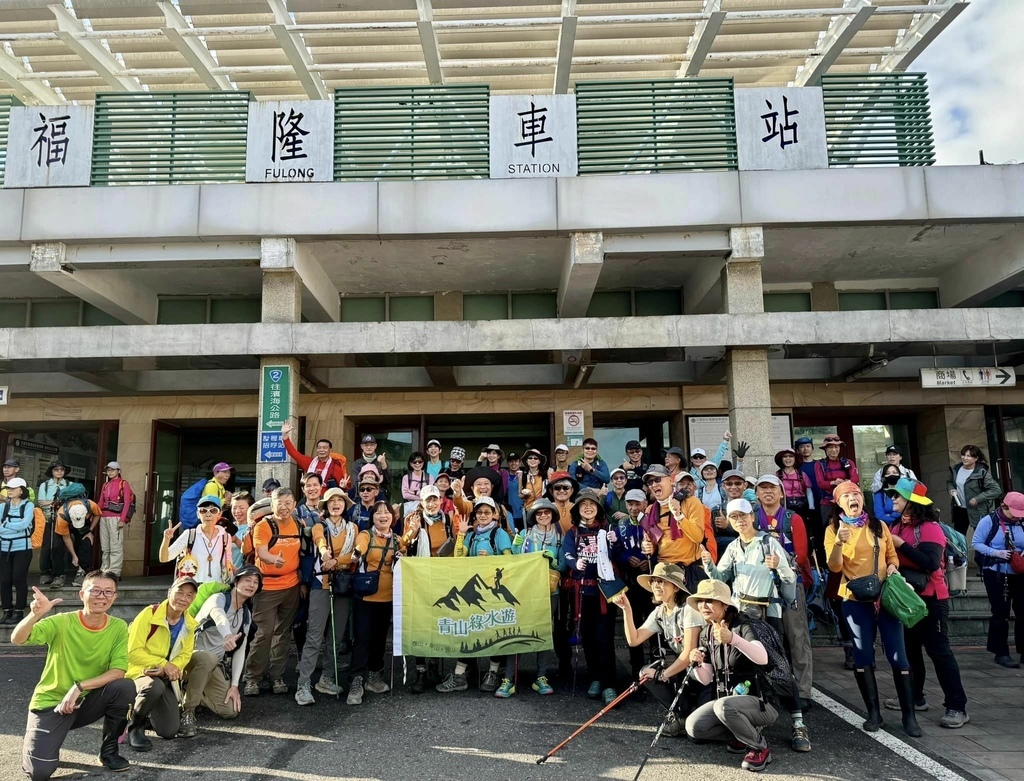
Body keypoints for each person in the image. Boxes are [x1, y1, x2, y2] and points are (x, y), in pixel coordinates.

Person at [14, 571, 134, 779]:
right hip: (51, 703)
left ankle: (108, 752)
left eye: (108, 592)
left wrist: (79, 687)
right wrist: (35, 615)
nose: (101, 596)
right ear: (81, 594)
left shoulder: (118, 627)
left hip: (85, 701)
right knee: (39, 772)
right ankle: (45, 744)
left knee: (124, 687)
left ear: (114, 597)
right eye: (95, 590)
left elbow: (118, 671)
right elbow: (18, 639)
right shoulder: (62, 622)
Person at [825, 481, 920, 737]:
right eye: (847, 495)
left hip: (885, 598)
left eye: (856, 493)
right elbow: (834, 568)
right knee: (863, 656)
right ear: (838, 502)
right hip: (855, 601)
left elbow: (892, 555)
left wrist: (892, 567)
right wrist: (838, 544)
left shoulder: (879, 526)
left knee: (898, 656)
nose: (853, 498)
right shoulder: (834, 529)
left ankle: (909, 716)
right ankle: (873, 713)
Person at [885, 479, 969, 728]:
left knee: (939, 652)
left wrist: (902, 545)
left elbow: (931, 563)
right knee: (911, 651)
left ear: (911, 502)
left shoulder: (930, 528)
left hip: (932, 600)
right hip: (908, 600)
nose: (893, 500)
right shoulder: (897, 524)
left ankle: (957, 707)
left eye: (897, 496)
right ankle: (915, 697)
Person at [684, 578, 778, 773]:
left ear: (724, 604)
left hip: (762, 702)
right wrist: (696, 664)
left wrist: (733, 639)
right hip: (728, 703)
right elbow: (707, 678)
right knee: (694, 727)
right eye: (700, 601)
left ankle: (759, 747)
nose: (703, 605)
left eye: (710, 600)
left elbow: (762, 657)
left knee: (723, 705)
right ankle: (741, 735)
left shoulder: (743, 625)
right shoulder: (707, 632)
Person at [611, 562, 702, 735]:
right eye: (654, 581)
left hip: (701, 667)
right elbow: (634, 640)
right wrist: (627, 609)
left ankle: (688, 714)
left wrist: (662, 675)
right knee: (645, 673)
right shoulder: (660, 611)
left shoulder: (689, 609)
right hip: (684, 667)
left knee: (698, 732)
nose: (656, 586)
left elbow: (688, 653)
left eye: (662, 582)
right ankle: (679, 715)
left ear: (676, 587)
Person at [436, 496, 513, 695]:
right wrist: (461, 535)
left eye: (487, 512)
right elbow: (459, 557)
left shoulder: (500, 534)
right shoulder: (472, 535)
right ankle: (460, 674)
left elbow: (510, 561)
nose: (483, 516)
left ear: (495, 514)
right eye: (479, 512)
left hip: (493, 593)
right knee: (470, 630)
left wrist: (491, 560)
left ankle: (493, 672)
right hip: (474, 592)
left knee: (494, 630)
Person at [753, 475, 814, 712]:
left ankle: (803, 689)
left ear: (781, 493)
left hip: (789, 582)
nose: (768, 492)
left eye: (772, 488)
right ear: (757, 493)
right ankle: (772, 687)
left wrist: (782, 567)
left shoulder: (792, 518)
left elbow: (801, 555)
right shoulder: (752, 517)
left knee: (797, 636)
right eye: (763, 488)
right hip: (760, 586)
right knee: (764, 637)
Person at [179, 566, 260, 736]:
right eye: (247, 580)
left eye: (255, 582)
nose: (251, 585)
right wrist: (227, 635)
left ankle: (190, 691)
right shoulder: (218, 599)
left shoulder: (245, 614)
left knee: (230, 711)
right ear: (236, 582)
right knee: (208, 658)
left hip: (213, 665)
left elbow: (240, 651)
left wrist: (235, 686)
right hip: (188, 659)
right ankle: (188, 711)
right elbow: (218, 615)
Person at [296, 487, 358, 705]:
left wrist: (337, 561)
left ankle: (326, 678)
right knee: (314, 634)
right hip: (320, 583)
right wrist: (324, 554)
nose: (336, 504)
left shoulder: (353, 528)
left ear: (345, 505)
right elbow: (319, 541)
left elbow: (355, 555)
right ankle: (303, 684)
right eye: (331, 501)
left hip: (343, 585)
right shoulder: (319, 526)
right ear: (326, 505)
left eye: (340, 500)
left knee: (336, 635)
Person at [125, 577, 198, 750]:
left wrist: (169, 669)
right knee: (153, 686)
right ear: (169, 592)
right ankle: (135, 725)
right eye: (179, 592)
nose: (183, 598)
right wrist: (162, 664)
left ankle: (148, 710)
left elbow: (186, 654)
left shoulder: (189, 623)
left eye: (189, 595)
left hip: (165, 677)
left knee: (169, 731)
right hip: (139, 673)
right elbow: (132, 652)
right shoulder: (148, 614)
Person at [562, 488, 620, 705]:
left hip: (604, 593)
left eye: (592, 504)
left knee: (604, 638)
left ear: (598, 508)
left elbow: (618, 555)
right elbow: (567, 553)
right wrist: (574, 563)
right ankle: (595, 677)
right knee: (586, 637)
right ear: (577, 510)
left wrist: (615, 542)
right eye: (583, 505)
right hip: (583, 593)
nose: (588, 508)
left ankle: (609, 684)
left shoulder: (607, 530)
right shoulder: (573, 533)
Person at [244, 487, 303, 696]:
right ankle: (252, 678)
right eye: (280, 503)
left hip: (292, 586)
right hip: (267, 587)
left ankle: (277, 676)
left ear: (294, 505)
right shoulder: (264, 525)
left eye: (288, 503)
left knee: (283, 633)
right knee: (264, 633)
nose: (284, 507)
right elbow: (260, 551)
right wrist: (272, 559)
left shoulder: (299, 524)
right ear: (272, 505)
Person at [702, 499, 795, 628]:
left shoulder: (768, 542)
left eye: (743, 514)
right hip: (739, 612)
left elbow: (790, 578)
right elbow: (720, 578)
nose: (739, 520)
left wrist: (779, 564)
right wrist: (709, 564)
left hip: (768, 612)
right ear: (729, 521)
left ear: (752, 517)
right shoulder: (732, 547)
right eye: (734, 516)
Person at [506, 498, 566, 697]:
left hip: (550, 592)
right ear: (533, 516)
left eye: (546, 512)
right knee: (517, 630)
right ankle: (508, 677)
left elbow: (564, 566)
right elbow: (515, 561)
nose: (543, 516)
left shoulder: (560, 537)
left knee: (544, 632)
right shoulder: (525, 533)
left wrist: (554, 559)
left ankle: (541, 676)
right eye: (539, 513)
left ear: (552, 515)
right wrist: (516, 547)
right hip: (526, 590)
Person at [348, 502, 404, 705]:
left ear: (392, 517)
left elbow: (405, 553)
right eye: (378, 512)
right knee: (362, 639)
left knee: (380, 639)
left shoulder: (397, 540)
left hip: (388, 597)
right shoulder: (366, 535)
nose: (383, 515)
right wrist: (356, 553)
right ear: (372, 517)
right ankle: (356, 680)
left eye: (386, 512)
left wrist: (403, 554)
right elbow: (359, 548)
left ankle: (374, 675)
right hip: (366, 596)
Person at [403, 484, 453, 693]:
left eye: (435, 499)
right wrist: (412, 533)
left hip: (443, 578)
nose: (432, 503)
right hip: (420, 579)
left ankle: (434, 668)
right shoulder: (414, 520)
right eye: (427, 500)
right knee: (421, 625)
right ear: (421, 503)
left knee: (439, 623)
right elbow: (402, 546)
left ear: (440, 500)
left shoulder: (448, 520)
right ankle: (421, 672)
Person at [971, 490, 1024, 669]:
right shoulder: (989, 521)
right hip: (996, 571)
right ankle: (1001, 652)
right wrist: (997, 552)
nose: (1017, 517)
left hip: (1020, 571)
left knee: (1023, 609)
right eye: (1014, 513)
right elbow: (976, 543)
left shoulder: (1022, 521)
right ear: (1004, 507)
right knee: (1001, 611)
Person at [640, 465, 709, 589]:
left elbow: (698, 537)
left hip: (688, 570)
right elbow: (654, 543)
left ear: (671, 481)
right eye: (650, 482)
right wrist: (647, 546)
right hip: (663, 571)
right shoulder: (650, 510)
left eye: (657, 479)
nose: (654, 485)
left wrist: (678, 515)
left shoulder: (691, 502)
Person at [159, 495, 234, 583]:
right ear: (198, 514)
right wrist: (166, 539)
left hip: (217, 587)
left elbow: (228, 563)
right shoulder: (189, 534)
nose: (208, 514)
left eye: (213, 510)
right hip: (193, 588)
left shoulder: (225, 536)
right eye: (203, 510)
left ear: (219, 514)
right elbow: (164, 558)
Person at [1, 477, 36, 625]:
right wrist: (13, 527)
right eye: (8, 488)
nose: (9, 491)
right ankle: (7, 610)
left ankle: (19, 611)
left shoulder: (29, 505)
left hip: (23, 548)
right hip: (3, 547)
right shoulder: (2, 507)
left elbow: (24, 525)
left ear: (21, 490)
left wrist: (6, 524)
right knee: (4, 580)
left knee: (19, 578)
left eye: (13, 488)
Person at [52, 485, 101, 589]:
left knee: (86, 543)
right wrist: (74, 555)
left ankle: (81, 572)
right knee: (57, 547)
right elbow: (66, 538)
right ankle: (59, 575)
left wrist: (90, 531)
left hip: (83, 526)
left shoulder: (90, 504)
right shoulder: (62, 514)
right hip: (65, 525)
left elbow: (97, 514)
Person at [947, 445, 1001, 537]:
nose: (965, 458)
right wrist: (951, 489)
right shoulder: (955, 469)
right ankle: (961, 552)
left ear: (976, 458)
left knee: (981, 537)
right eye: (963, 455)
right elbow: (949, 482)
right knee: (959, 538)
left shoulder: (981, 472)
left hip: (977, 510)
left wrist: (977, 498)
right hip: (959, 508)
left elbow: (996, 490)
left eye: (969, 456)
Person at [281, 421, 349, 493]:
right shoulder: (309, 462)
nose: (321, 450)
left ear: (330, 450)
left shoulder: (335, 467)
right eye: (319, 448)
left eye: (325, 448)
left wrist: (343, 487)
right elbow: (293, 453)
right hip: (309, 496)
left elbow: (343, 487)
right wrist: (285, 436)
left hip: (326, 500)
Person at [37, 460, 72, 588]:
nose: (59, 472)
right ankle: (45, 572)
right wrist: (55, 502)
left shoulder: (69, 484)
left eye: (61, 470)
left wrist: (56, 503)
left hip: (64, 519)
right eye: (56, 469)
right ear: (52, 471)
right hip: (48, 519)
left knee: (59, 547)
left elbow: (72, 500)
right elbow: (41, 502)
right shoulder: (44, 485)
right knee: (47, 546)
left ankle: (60, 574)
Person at [97, 462, 134, 580]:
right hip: (104, 517)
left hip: (116, 518)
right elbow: (101, 502)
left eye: (112, 470)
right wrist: (95, 514)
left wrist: (122, 519)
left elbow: (127, 503)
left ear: (118, 471)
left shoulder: (124, 484)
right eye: (108, 470)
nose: (110, 472)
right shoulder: (105, 485)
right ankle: (105, 571)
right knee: (105, 547)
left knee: (116, 546)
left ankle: (115, 573)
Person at [814, 435, 859, 521]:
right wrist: (833, 482)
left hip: (846, 501)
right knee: (829, 527)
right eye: (830, 447)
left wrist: (847, 482)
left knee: (850, 525)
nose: (834, 450)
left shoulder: (848, 462)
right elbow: (820, 483)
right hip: (827, 502)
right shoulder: (819, 464)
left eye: (836, 447)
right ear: (825, 449)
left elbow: (855, 478)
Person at [775, 449, 813, 517]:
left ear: (795, 459)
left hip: (801, 506)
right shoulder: (778, 475)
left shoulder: (802, 474)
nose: (788, 459)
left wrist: (811, 507)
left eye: (791, 456)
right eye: (785, 456)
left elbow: (809, 492)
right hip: (784, 505)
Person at [228, 492, 255, 571]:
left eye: (241, 508)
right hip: (225, 577)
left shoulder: (253, 528)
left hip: (243, 575)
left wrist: (236, 540)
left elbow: (251, 552)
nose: (237, 511)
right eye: (234, 508)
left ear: (250, 509)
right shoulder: (227, 528)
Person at [350, 466, 382, 530]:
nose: (365, 492)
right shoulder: (352, 510)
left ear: (376, 492)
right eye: (362, 489)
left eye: (369, 489)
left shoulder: (382, 510)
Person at [505, 453, 524, 530]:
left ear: (520, 462)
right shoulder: (504, 476)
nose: (513, 463)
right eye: (511, 461)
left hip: (522, 513)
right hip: (508, 513)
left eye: (516, 461)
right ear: (507, 463)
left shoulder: (525, 476)